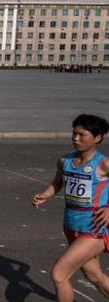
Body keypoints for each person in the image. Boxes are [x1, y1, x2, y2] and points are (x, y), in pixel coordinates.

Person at [32, 114, 109, 301]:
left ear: (97, 138)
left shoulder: (104, 163)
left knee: (59, 274)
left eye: (82, 135)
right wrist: (45, 194)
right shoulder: (64, 161)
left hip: (95, 227)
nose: (75, 138)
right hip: (71, 226)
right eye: (74, 133)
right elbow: (57, 184)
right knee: (93, 275)